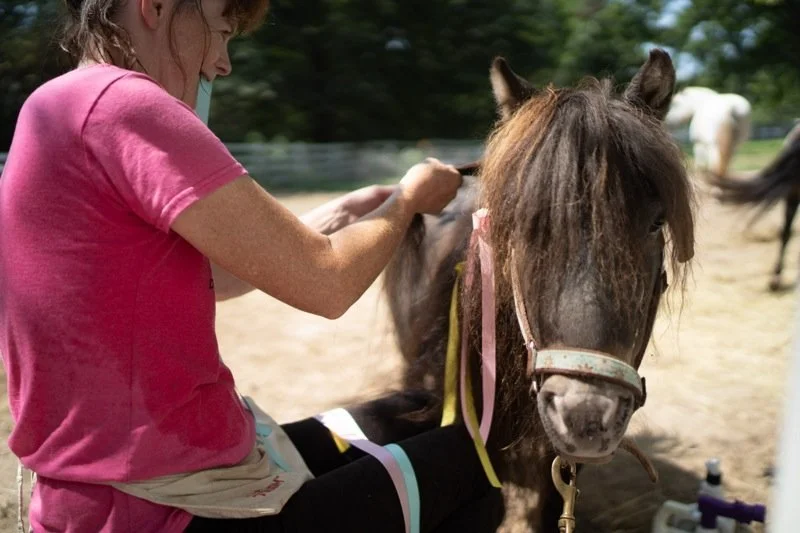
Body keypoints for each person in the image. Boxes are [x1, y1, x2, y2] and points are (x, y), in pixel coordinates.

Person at [0, 0, 505, 531]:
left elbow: (214, 275)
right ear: (155, 7)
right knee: (473, 469)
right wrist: (406, 200)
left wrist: (341, 214)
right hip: (164, 504)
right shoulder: (123, 103)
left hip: (107, 491)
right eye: (218, 32)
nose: (222, 64)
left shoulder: (57, 108)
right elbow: (327, 283)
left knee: (411, 410)